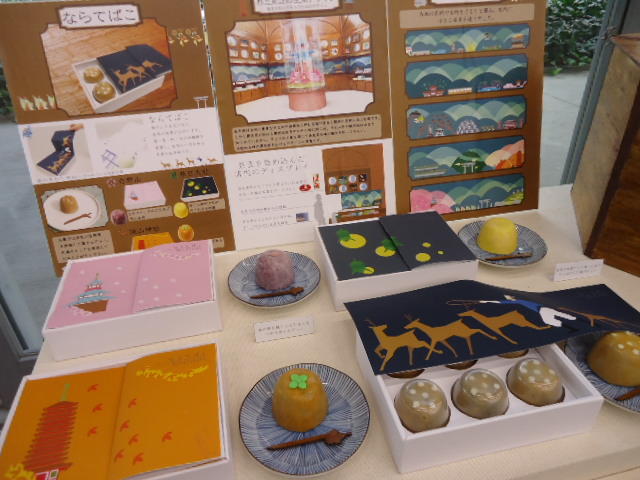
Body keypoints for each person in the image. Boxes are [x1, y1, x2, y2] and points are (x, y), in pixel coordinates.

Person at [478, 294, 576, 327]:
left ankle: (569, 324)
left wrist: (486, 301)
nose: (508, 299)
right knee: (559, 315)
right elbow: (502, 302)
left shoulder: (519, 301)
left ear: (512, 297)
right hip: (543, 308)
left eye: (509, 298)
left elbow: (502, 302)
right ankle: (572, 320)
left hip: (542, 310)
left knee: (548, 320)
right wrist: (486, 301)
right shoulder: (521, 300)